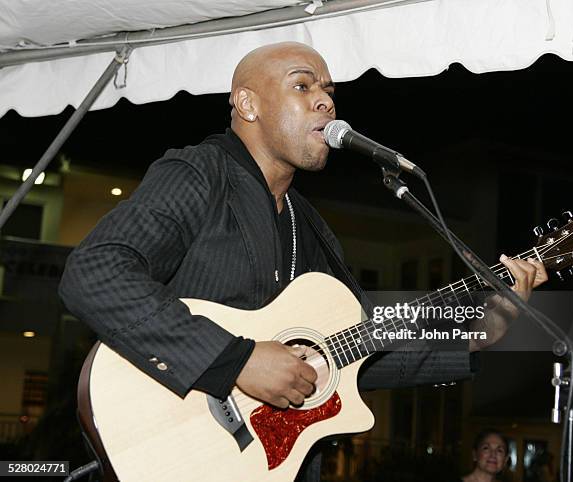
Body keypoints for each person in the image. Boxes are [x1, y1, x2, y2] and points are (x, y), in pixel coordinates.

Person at [58, 42, 547, 481]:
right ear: (246, 104)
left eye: (329, 89)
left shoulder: (308, 225)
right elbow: (94, 273)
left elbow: (355, 354)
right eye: (302, 85)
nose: (326, 100)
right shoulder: (200, 173)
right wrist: (235, 361)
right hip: (175, 443)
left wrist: (479, 336)